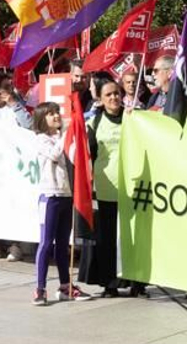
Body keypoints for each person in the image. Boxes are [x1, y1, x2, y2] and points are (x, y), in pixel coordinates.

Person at [30, 102, 87, 305]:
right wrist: (66, 134)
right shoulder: (40, 139)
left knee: (63, 244)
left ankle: (65, 286)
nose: (56, 116)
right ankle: (40, 287)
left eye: (57, 112)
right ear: (41, 119)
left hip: (66, 194)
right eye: (50, 114)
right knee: (46, 242)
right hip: (50, 195)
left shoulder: (62, 137)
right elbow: (54, 154)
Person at [80, 79, 126, 296]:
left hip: (132, 189)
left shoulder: (133, 118)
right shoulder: (94, 123)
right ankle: (109, 283)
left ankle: (136, 282)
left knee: (130, 237)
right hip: (106, 187)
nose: (114, 98)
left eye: (116, 93)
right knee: (107, 239)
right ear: (100, 98)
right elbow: (87, 154)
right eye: (108, 95)